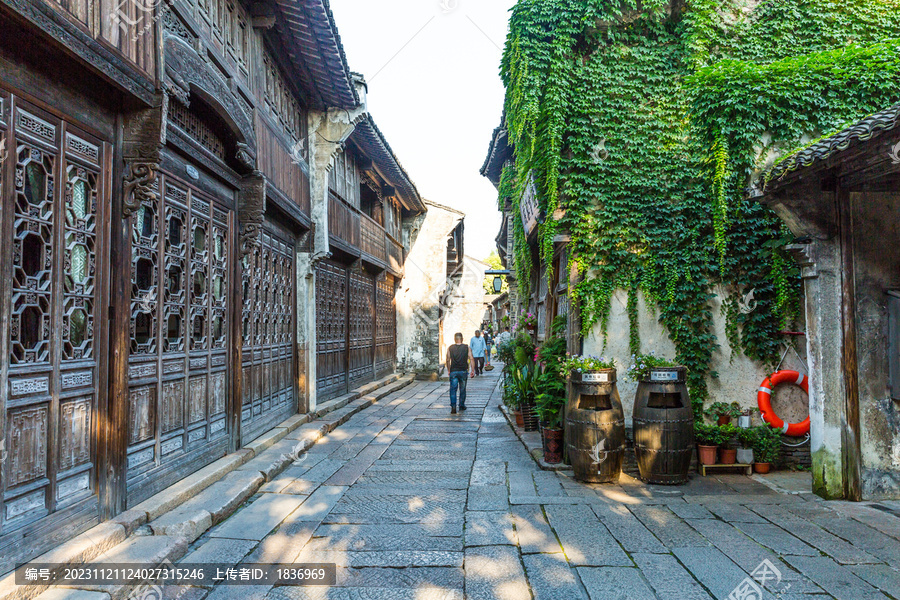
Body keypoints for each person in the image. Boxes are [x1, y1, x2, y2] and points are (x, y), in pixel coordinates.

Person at [445, 333, 474, 414]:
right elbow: (471, 358)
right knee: (462, 389)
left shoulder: (450, 348)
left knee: (453, 389)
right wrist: (473, 370)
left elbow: (447, 359)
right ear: (462, 339)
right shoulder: (466, 347)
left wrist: (449, 369)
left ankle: (453, 406)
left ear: (455, 339)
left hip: (453, 371)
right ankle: (461, 405)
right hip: (463, 371)